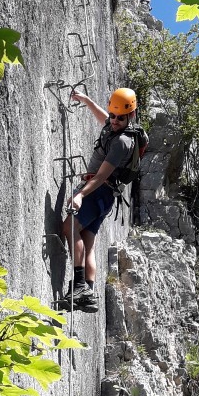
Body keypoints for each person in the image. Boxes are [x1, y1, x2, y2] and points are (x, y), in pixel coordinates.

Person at [60, 87, 139, 312]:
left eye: (119, 118)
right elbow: (102, 118)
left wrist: (80, 195)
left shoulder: (122, 142)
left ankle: (79, 286)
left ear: (130, 116)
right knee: (88, 243)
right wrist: (86, 100)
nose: (114, 121)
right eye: (112, 115)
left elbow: (102, 175)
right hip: (105, 197)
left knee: (69, 228)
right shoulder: (115, 128)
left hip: (97, 191)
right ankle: (89, 293)